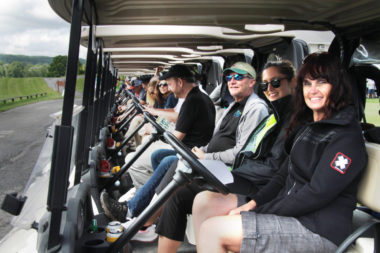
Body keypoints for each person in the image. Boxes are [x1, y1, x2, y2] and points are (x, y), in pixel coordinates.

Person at [192, 52, 368, 253]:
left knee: (213, 230)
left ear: (336, 86)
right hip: (290, 212)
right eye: (307, 84)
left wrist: (259, 212)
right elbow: (282, 175)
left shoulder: (346, 137)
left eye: (322, 82)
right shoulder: (309, 126)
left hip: (319, 229)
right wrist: (254, 203)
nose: (313, 90)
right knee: (204, 202)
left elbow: (316, 194)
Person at [155, 61, 295, 253]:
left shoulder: (271, 113)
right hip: (242, 172)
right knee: (176, 179)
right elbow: (248, 151)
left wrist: (213, 160)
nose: (269, 88)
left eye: (276, 82)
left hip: (254, 181)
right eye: (229, 77)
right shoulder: (271, 113)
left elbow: (262, 162)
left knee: (177, 180)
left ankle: (146, 220)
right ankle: (146, 219)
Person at [101, 64, 216, 221]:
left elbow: (177, 137)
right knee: (157, 155)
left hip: (190, 154)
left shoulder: (193, 100)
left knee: (161, 161)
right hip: (189, 150)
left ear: (180, 82)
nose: (167, 87)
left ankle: (133, 209)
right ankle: (149, 200)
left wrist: (160, 132)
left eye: (169, 83)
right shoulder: (195, 98)